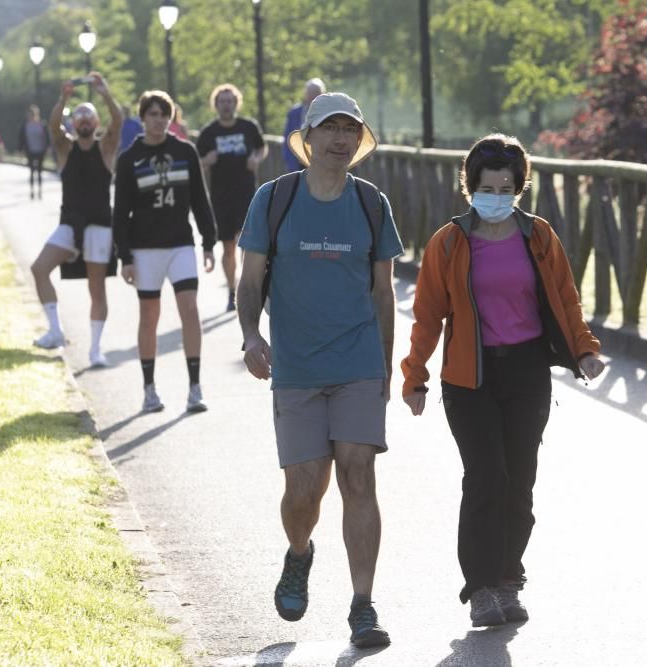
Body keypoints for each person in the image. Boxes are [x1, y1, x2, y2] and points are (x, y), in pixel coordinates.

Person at [400, 133, 606, 627]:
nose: (496, 196)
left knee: (520, 479)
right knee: (486, 477)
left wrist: (586, 350)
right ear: (470, 188)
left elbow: (566, 298)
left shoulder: (538, 237)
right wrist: (414, 376)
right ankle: (481, 588)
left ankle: (509, 579)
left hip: (527, 372)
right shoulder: (448, 242)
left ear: (519, 188)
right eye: (487, 188)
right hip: (470, 377)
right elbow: (427, 315)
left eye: (506, 187)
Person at [236, 92, 402, 649]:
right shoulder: (274, 199)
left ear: (359, 142)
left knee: (359, 477)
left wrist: (385, 369)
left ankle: (363, 606)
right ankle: (299, 554)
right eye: (329, 129)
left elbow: (384, 294)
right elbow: (251, 280)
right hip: (297, 367)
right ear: (307, 141)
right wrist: (251, 334)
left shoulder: (372, 204)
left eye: (350, 130)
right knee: (304, 491)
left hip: (357, 362)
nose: (340, 139)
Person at [113, 90, 217, 413]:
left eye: (164, 114)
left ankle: (195, 388)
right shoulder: (129, 159)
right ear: (143, 118)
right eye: (153, 114)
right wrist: (125, 257)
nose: (158, 120)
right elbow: (120, 214)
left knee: (189, 308)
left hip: (180, 245)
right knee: (150, 316)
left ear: (171, 118)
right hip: (145, 249)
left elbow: (200, 200)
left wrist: (209, 241)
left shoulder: (185, 151)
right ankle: (149, 389)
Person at [30, 74, 122, 367]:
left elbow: (118, 122)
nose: (83, 123)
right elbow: (53, 127)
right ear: (75, 124)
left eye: (88, 119)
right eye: (79, 119)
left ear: (95, 124)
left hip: (98, 226)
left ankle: (95, 349)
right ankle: (55, 330)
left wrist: (105, 95)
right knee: (39, 268)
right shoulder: (65, 148)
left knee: (96, 288)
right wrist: (64, 97)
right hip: (70, 223)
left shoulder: (105, 148)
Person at [197, 84, 267, 312]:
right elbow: (196, 163)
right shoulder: (208, 133)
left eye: (230, 101)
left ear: (236, 103)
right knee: (228, 247)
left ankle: (249, 289)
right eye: (222, 101)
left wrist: (256, 159)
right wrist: (207, 160)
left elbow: (261, 147)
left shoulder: (248, 127)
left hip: (246, 193)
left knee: (247, 244)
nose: (226, 105)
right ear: (215, 105)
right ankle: (231, 290)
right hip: (220, 195)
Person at [281, 78, 325, 172]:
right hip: (298, 164)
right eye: (311, 92)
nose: (313, 96)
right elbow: (287, 138)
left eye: (316, 92)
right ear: (305, 94)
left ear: (322, 94)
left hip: (323, 165)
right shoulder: (294, 113)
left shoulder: (329, 114)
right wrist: (290, 164)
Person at [18, 105, 50, 200]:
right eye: (29, 115)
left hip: (40, 150)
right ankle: (32, 191)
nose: (31, 116)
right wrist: (20, 150)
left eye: (32, 115)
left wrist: (48, 147)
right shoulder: (25, 125)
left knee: (39, 172)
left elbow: (47, 137)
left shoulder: (42, 124)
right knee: (32, 171)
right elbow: (21, 139)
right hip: (30, 150)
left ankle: (40, 191)